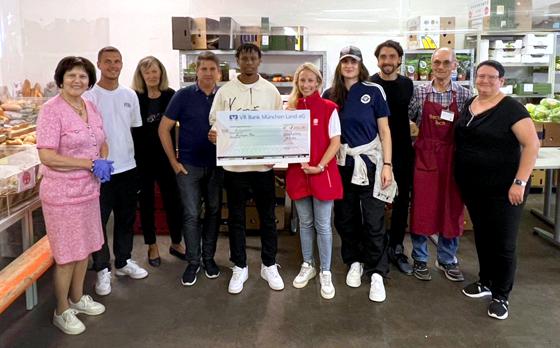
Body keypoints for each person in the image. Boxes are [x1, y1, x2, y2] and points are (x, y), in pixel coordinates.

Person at [455, 60, 539, 320]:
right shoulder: (470, 104)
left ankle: (501, 294)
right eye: (481, 76)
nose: (485, 81)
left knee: (503, 242)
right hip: (474, 187)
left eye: (491, 77)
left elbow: (532, 145)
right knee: (482, 235)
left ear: (501, 81)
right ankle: (485, 281)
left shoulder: (512, 108)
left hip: (505, 189)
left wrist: (520, 182)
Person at [37, 56, 111, 334]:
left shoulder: (89, 107)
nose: (77, 80)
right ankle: (61, 309)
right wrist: (88, 164)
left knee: (85, 249)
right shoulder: (51, 110)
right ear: (61, 79)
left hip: (89, 191)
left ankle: (77, 298)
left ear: (89, 81)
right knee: (67, 255)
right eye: (71, 76)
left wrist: (103, 159)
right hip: (62, 194)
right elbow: (46, 155)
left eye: (82, 76)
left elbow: (101, 141)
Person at [208, 43, 284, 294]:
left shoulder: (270, 90)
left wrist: (276, 152)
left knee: (267, 219)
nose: (249, 62)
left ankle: (269, 264)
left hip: (262, 167)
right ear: (237, 61)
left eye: (253, 58)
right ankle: (240, 265)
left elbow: (279, 125)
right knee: (237, 219)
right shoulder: (225, 91)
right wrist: (214, 134)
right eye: (244, 58)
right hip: (234, 167)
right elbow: (215, 122)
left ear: (259, 61)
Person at [323, 46, 397, 302]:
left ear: (360, 64)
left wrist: (387, 165)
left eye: (353, 61)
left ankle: (377, 271)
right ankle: (354, 260)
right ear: (339, 65)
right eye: (345, 61)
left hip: (371, 163)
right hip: (341, 164)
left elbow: (385, 131)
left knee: (374, 218)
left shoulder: (373, 91)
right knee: (345, 217)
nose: (349, 66)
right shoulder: (330, 94)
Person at [85, 46, 148, 297]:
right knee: (99, 221)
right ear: (99, 64)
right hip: (100, 170)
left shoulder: (129, 95)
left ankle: (123, 262)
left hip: (128, 167)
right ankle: (102, 268)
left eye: (117, 61)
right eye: (108, 61)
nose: (113, 66)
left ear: (122, 64)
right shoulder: (90, 97)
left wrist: (137, 165)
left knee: (126, 218)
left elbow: (134, 131)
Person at [159, 51, 223, 286]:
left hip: (217, 166)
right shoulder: (183, 96)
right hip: (189, 166)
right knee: (191, 214)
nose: (207, 73)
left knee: (214, 212)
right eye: (203, 68)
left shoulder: (224, 96)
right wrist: (174, 163)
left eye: (212, 69)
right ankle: (193, 261)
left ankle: (209, 258)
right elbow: (163, 129)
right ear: (196, 71)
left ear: (219, 72)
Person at [408, 47, 471, 282]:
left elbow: (466, 128)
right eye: (437, 63)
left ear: (454, 66)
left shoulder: (465, 95)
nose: (441, 67)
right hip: (425, 156)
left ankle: (447, 259)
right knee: (422, 207)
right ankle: (420, 258)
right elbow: (414, 119)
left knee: (452, 208)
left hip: (453, 157)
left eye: (446, 62)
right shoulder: (420, 93)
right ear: (431, 65)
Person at [285, 63, 343, 300]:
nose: (307, 85)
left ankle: (325, 271)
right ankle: (308, 264)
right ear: (297, 83)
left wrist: (320, 166)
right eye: (302, 81)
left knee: (323, 225)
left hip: (322, 173)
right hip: (298, 173)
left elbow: (335, 141)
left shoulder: (329, 108)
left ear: (318, 83)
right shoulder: (291, 110)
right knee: (305, 224)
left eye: (311, 80)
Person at [131, 56, 184, 267]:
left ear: (160, 73)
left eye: (155, 71)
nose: (152, 76)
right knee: (146, 203)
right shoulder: (135, 97)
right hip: (141, 159)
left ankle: (176, 242)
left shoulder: (171, 95)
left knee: (173, 200)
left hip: (166, 157)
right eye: (147, 73)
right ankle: (152, 245)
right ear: (141, 76)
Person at [370, 40, 414, 275]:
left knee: (401, 200)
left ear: (399, 60)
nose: (387, 61)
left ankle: (397, 247)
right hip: (375, 152)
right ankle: (376, 247)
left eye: (392, 57)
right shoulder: (369, 84)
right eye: (383, 56)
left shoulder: (408, 84)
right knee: (374, 200)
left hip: (403, 151)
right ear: (377, 60)